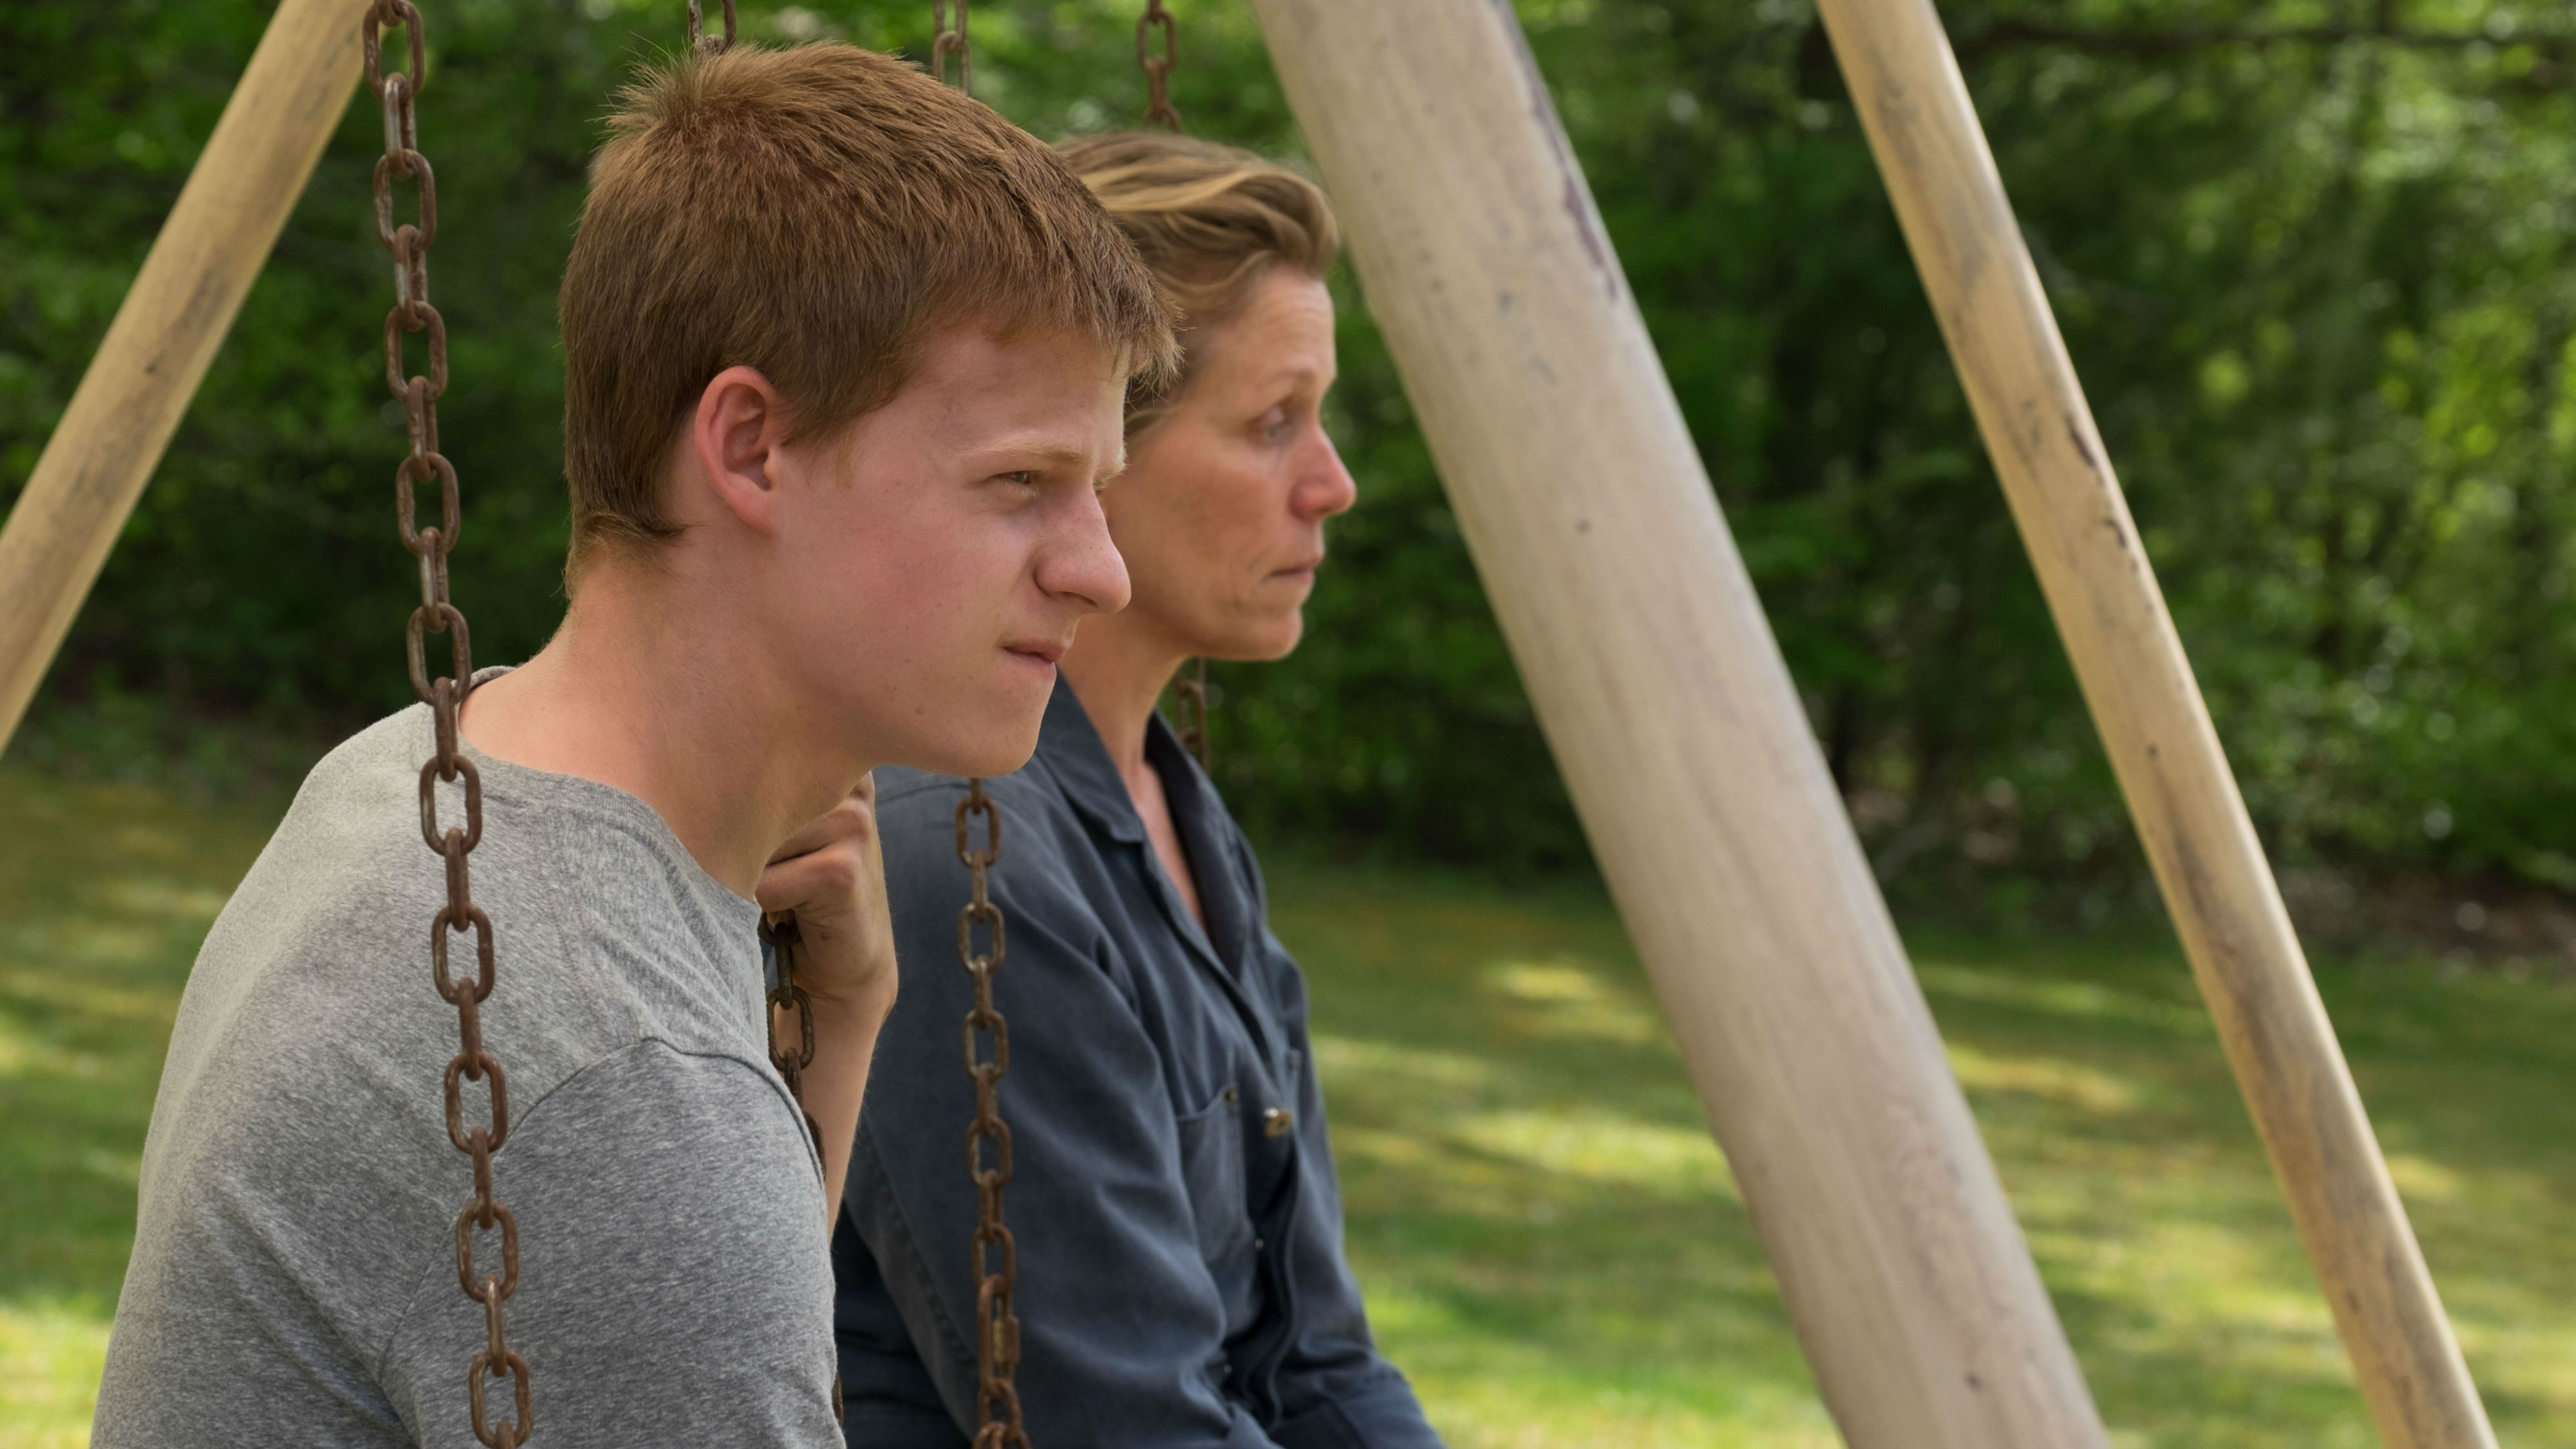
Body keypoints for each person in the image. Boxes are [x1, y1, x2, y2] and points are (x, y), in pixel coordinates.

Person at [91, 44, 1172, 1448]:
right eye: (1022, 481)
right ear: (752, 446)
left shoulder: (422, 780)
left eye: (1098, 492)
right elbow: (647, 1208)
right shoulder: (606, 1083)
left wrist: (837, 1032)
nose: (1101, 573)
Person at [835, 132, 1444, 1449]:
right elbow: (1126, 1423)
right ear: (1106, 444)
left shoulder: (1178, 815)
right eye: (1273, 423)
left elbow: (1320, 1361)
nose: (1332, 483)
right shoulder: (962, 856)